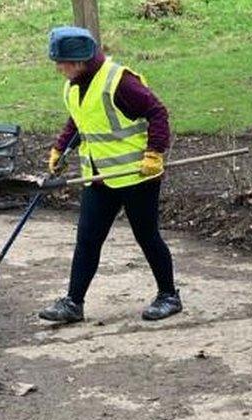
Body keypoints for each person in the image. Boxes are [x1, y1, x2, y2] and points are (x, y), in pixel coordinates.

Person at [38, 26, 182, 323]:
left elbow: (157, 112)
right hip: (99, 177)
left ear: (78, 61)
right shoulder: (75, 85)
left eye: (61, 62)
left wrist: (155, 153)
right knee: (87, 239)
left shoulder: (120, 82)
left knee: (147, 235)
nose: (57, 68)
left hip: (136, 176)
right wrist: (60, 148)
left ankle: (169, 296)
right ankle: (73, 303)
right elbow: (79, 121)